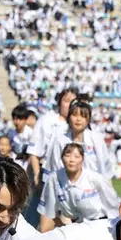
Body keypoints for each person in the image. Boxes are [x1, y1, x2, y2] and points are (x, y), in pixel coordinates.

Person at [38, 143, 121, 232]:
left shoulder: (96, 179)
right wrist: (65, 228)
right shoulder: (54, 178)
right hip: (76, 226)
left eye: (77, 157)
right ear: (62, 159)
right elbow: (48, 210)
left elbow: (114, 206)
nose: (72, 160)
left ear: (82, 159)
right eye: (67, 155)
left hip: (100, 225)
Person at [27, 89, 78, 227]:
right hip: (48, 177)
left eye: (73, 101)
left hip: (71, 182)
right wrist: (37, 174)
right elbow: (34, 151)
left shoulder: (77, 124)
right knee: (39, 220)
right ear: (59, 102)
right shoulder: (47, 120)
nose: (69, 105)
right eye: (66, 100)